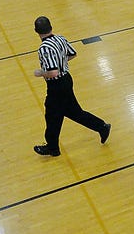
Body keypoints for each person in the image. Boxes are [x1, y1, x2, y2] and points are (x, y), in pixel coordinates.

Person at [31, 15, 111, 156]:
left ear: (36, 31)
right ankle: (102, 126)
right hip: (67, 80)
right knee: (73, 112)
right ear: (51, 27)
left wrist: (40, 73)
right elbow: (73, 54)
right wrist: (62, 62)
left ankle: (52, 147)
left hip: (56, 86)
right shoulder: (60, 39)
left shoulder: (44, 48)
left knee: (52, 113)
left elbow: (53, 73)